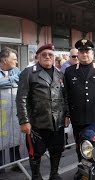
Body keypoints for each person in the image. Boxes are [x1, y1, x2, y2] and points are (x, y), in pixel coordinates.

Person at [16, 44, 69, 180]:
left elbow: (65, 97)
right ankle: (36, 175)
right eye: (44, 54)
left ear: (54, 57)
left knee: (56, 150)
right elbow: (21, 98)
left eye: (50, 54)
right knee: (36, 152)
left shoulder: (59, 73)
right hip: (37, 122)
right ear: (38, 57)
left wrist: (66, 115)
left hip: (57, 122)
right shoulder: (28, 73)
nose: (47, 57)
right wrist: (24, 121)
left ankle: (54, 174)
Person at [64, 39, 95, 180]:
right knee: (80, 144)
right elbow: (66, 94)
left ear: (92, 53)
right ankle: (83, 168)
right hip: (78, 115)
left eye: (87, 51)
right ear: (78, 54)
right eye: (82, 52)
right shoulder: (69, 71)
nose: (85, 54)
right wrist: (67, 113)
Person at [0, 47, 21, 173]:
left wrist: (7, 80)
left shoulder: (16, 70)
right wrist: (12, 80)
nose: (16, 61)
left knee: (14, 134)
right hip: (1, 111)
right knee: (1, 136)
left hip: (13, 110)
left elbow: (21, 79)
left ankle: (16, 163)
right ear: (4, 59)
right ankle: (0, 166)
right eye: (14, 59)